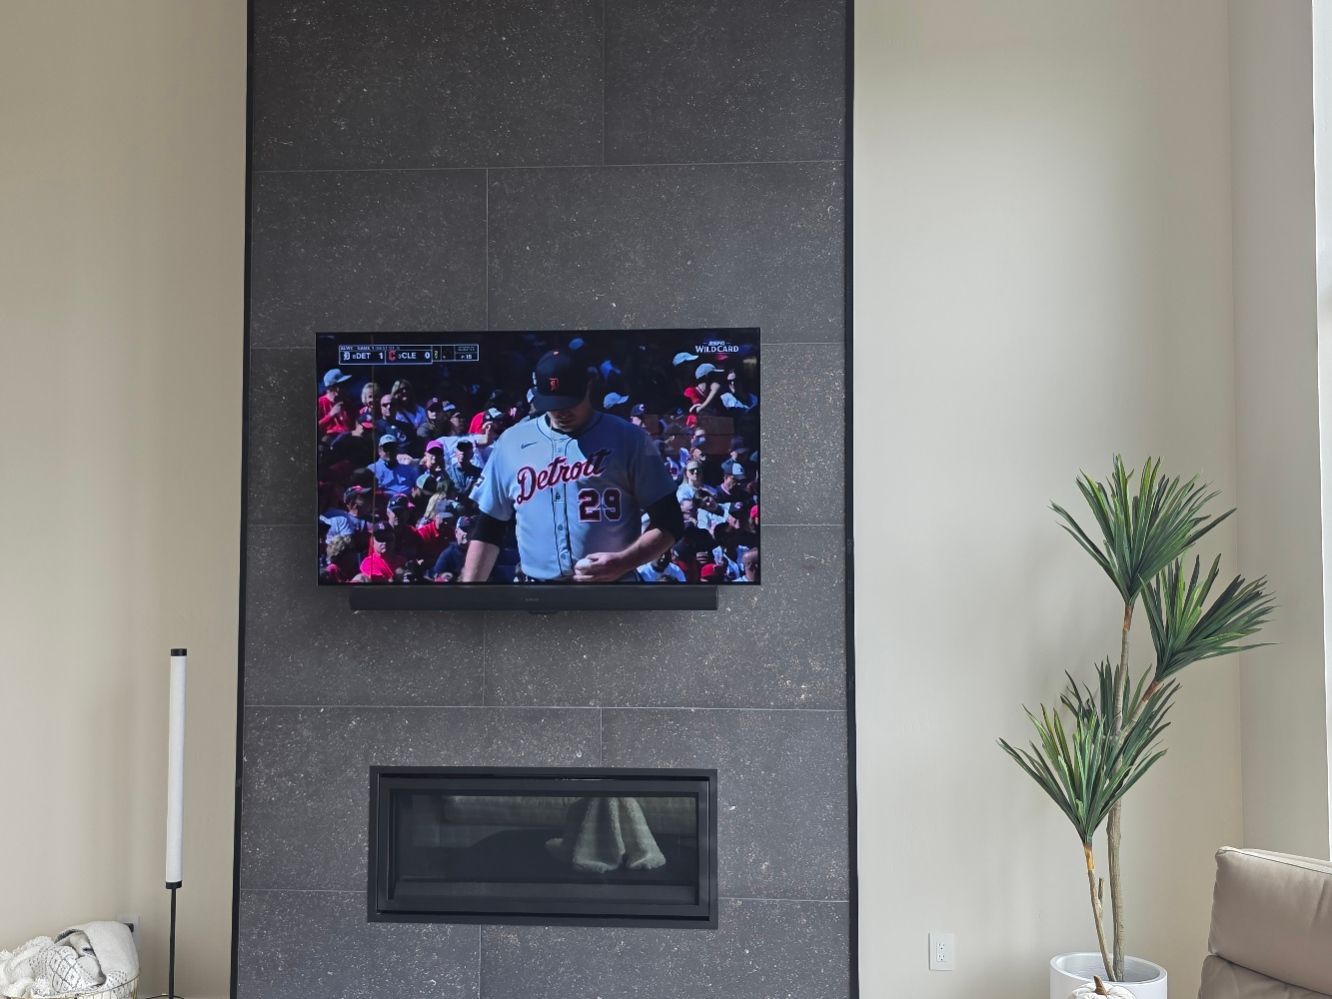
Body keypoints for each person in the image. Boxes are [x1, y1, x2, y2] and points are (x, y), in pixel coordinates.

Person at [461, 348, 684, 583]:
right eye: (553, 403)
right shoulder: (511, 442)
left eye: (569, 401)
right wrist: (470, 596)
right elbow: (489, 528)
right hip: (539, 595)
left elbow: (670, 522)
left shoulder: (630, 439)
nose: (561, 411)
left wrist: (624, 561)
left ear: (588, 385)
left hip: (614, 592)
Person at [317, 368, 355, 437]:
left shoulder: (347, 401)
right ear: (332, 387)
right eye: (342, 384)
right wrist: (330, 415)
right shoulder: (320, 402)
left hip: (348, 436)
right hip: (329, 438)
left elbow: (353, 423)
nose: (345, 386)